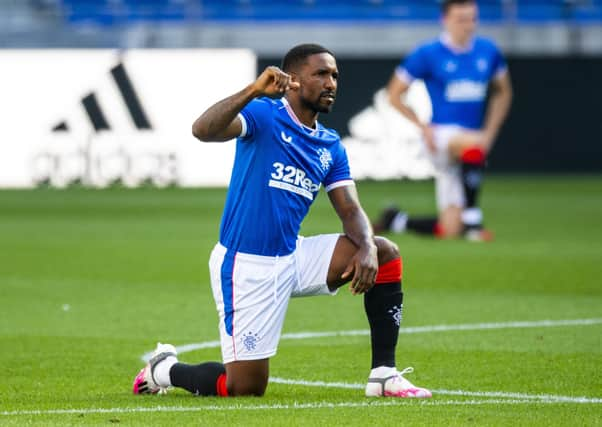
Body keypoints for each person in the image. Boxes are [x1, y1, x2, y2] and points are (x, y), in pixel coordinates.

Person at [132, 44, 431, 399]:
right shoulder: (263, 115)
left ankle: (384, 375)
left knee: (384, 252)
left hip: (292, 258)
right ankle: (163, 369)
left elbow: (350, 210)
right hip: (246, 266)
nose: (331, 82)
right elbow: (203, 129)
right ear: (293, 80)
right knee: (245, 387)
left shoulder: (329, 144)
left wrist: (365, 246)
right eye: (320, 74)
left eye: (334, 75)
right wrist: (252, 90)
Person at [374, 0, 512, 241]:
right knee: (472, 143)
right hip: (441, 135)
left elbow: (504, 92)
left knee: (449, 230)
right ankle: (473, 221)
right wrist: (422, 126)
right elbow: (394, 94)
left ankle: (396, 220)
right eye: (461, 19)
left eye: (472, 18)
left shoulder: (488, 51)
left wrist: (490, 132)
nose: (468, 25)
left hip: (471, 145)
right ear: (445, 20)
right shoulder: (428, 53)